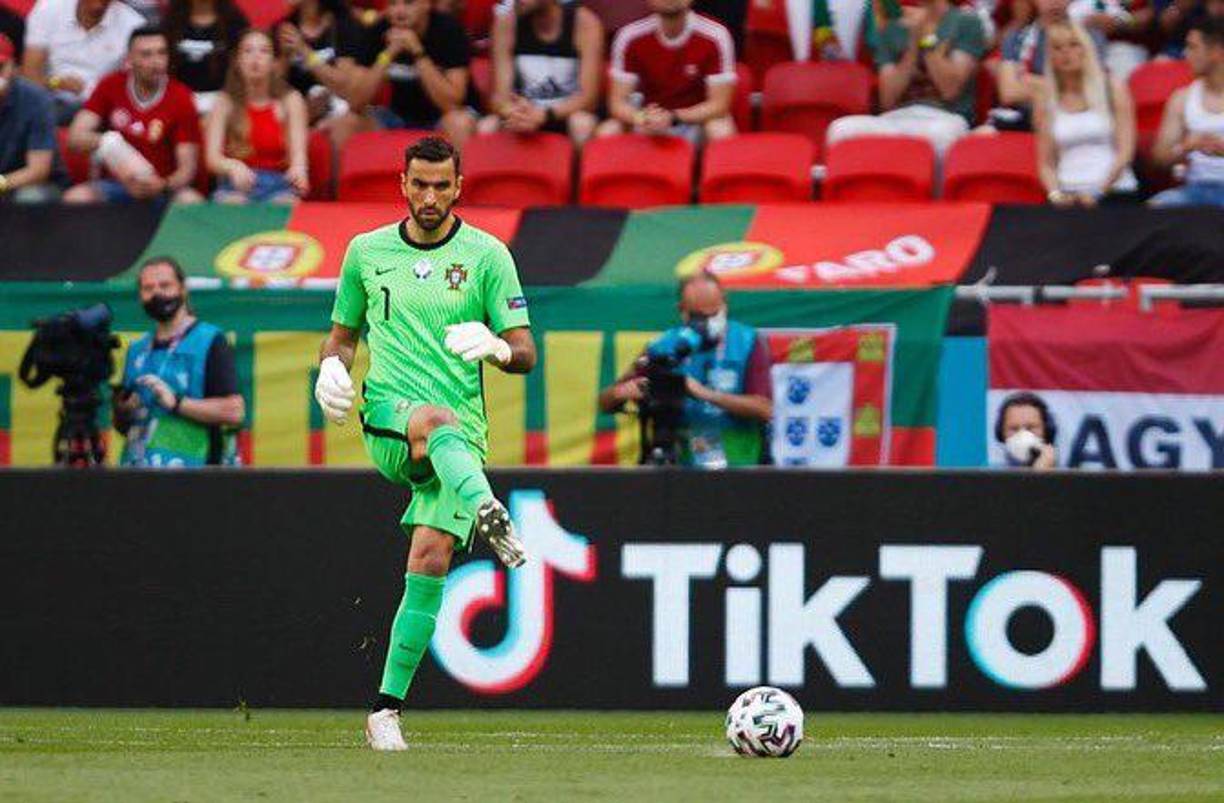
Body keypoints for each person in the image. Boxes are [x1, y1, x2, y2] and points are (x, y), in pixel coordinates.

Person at [314, 136, 534, 751]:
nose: (431, 196)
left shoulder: (489, 256)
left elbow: (525, 351)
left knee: (431, 558)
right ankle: (490, 508)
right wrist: (330, 369)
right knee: (434, 419)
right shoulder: (366, 252)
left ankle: (385, 711)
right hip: (391, 418)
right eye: (420, 184)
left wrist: (496, 347)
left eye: (442, 185)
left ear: (459, 185)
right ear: (402, 184)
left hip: (460, 443)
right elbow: (342, 337)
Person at [598, 271, 773, 468]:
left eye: (714, 314)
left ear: (725, 305)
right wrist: (622, 392)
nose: (707, 323)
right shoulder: (665, 345)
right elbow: (604, 402)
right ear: (682, 310)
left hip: (739, 464)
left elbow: (764, 409)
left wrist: (704, 393)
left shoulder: (748, 341)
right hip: (681, 465)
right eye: (698, 316)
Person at [114, 256, 245, 468]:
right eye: (148, 288)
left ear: (182, 289)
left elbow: (234, 411)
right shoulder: (137, 350)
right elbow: (123, 426)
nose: (156, 293)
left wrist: (177, 403)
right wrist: (123, 411)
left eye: (165, 285)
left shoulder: (210, 340)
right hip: (138, 473)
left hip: (195, 474)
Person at [64, 26, 204, 204]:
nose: (156, 62)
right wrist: (109, 143)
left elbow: (187, 170)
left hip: (162, 187)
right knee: (76, 198)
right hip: (116, 185)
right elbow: (74, 138)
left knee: (191, 201)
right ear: (129, 59)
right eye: (146, 55)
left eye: (162, 53)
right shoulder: (110, 85)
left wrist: (162, 185)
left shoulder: (182, 97)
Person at [827, 0, 985, 156]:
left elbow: (949, 90)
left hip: (946, 116)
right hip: (897, 117)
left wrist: (926, 36)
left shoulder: (966, 22)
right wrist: (914, 40)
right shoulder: (893, 28)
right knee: (841, 129)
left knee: (940, 135)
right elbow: (887, 99)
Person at [329, 0, 476, 149]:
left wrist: (418, 53)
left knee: (459, 122)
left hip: (440, 118)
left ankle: (459, 173)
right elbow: (355, 102)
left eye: (408, 3)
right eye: (393, 4)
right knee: (346, 122)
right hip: (396, 116)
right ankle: (339, 173)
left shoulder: (449, 30)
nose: (399, 11)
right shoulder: (378, 30)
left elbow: (451, 104)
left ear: (426, 4)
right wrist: (388, 54)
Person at [598, 0, 738, 143]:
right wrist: (643, 118)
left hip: (694, 120)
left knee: (721, 130)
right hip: (647, 118)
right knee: (608, 132)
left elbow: (719, 105)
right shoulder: (629, 36)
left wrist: (673, 117)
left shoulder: (716, 35)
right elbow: (617, 104)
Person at [1034, 20, 1138, 206]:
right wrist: (1056, 195)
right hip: (1068, 194)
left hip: (1114, 191)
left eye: (1073, 45)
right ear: (1050, 57)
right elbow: (1046, 164)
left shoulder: (1112, 88)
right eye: (1057, 48)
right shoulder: (1046, 101)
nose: (1066, 53)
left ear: (1086, 49)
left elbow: (1125, 152)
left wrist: (1097, 193)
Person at [204, 28, 310, 203]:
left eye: (264, 51)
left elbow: (299, 155)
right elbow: (212, 158)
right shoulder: (224, 101)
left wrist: (299, 170)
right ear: (237, 60)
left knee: (286, 204)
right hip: (235, 185)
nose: (256, 58)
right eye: (248, 51)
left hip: (279, 185)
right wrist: (232, 166)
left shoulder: (291, 100)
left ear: (274, 61)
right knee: (232, 203)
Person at [477, 0, 603, 146]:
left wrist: (544, 114)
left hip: (564, 113)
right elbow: (499, 96)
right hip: (522, 112)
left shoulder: (584, 22)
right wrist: (513, 113)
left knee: (582, 124)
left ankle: (575, 168)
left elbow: (588, 98)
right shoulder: (506, 22)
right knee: (486, 127)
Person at [22, 0, 145, 124]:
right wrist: (56, 83)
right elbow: (29, 74)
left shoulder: (134, 25)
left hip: (101, 106)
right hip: (49, 97)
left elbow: (136, 85)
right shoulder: (49, 8)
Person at [1150, 17, 1224, 205]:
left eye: (1192, 47)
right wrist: (1187, 146)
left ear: (1216, 52)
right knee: (1157, 207)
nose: (1185, 54)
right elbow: (1159, 158)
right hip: (1195, 189)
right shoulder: (1182, 98)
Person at [278, 0, 366, 126]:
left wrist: (304, 51)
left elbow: (345, 86)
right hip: (297, 113)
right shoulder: (284, 26)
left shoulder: (342, 23)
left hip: (336, 113)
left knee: (349, 121)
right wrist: (284, 57)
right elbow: (272, 87)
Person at [0, 33, 62, 203]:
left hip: (30, 185)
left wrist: (1, 183)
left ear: (14, 68)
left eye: (0, 67)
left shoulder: (36, 99)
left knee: (30, 197)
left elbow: (38, 171)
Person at [163, 0, 248, 114]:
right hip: (176, 104)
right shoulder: (171, 22)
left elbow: (242, 66)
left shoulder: (235, 23)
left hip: (223, 105)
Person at [994, 391, 1057, 469]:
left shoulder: (1068, 477)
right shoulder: (987, 478)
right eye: (1014, 429)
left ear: (1047, 431)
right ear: (1001, 432)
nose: (1022, 434)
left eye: (1030, 428)